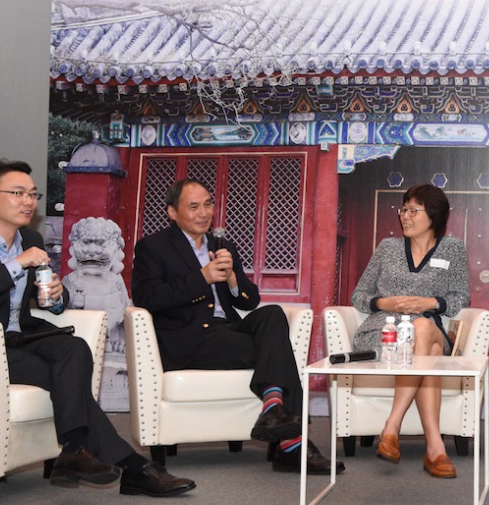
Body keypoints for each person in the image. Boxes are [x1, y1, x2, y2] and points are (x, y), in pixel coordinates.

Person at [0, 159, 194, 497]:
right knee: (65, 378)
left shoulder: (30, 238)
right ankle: (130, 467)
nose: (29, 201)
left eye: (33, 194)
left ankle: (75, 450)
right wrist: (17, 264)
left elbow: (48, 300)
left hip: (19, 335)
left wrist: (56, 296)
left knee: (74, 348)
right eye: (18, 193)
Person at [131, 178, 338, 475]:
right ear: (172, 212)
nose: (204, 213)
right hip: (188, 338)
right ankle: (292, 444)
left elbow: (250, 301)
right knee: (277, 352)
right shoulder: (153, 247)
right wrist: (202, 278)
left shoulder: (223, 245)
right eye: (194, 207)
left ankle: (274, 408)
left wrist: (231, 280)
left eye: (208, 205)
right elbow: (147, 297)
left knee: (272, 315)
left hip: (225, 329)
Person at [351, 183, 469, 478]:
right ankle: (435, 448)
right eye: (403, 210)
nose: (405, 216)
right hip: (385, 331)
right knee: (429, 348)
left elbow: (460, 298)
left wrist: (429, 303)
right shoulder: (387, 248)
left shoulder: (453, 249)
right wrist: (384, 302)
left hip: (428, 325)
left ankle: (392, 427)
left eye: (413, 211)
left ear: (434, 215)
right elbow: (359, 295)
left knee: (423, 327)